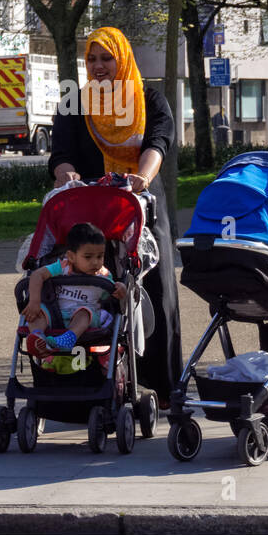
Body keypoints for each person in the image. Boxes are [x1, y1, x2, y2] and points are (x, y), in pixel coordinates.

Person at [47, 26, 180, 406]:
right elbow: (61, 152)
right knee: (86, 290)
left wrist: (143, 179)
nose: (99, 66)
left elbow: (159, 142)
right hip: (88, 210)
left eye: (107, 58)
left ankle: (163, 385)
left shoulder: (149, 99)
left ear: (121, 58)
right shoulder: (75, 102)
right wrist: (65, 173)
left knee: (152, 290)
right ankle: (87, 377)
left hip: (138, 206)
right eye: (92, 58)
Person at [21, 222, 126, 363]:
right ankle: (38, 338)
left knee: (84, 312)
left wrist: (121, 289)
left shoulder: (104, 276)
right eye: (88, 257)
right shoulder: (63, 267)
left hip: (84, 319)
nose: (95, 262)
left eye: (100, 256)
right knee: (36, 313)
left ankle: (68, 338)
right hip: (55, 314)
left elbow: (112, 295)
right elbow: (37, 275)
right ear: (71, 257)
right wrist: (34, 301)